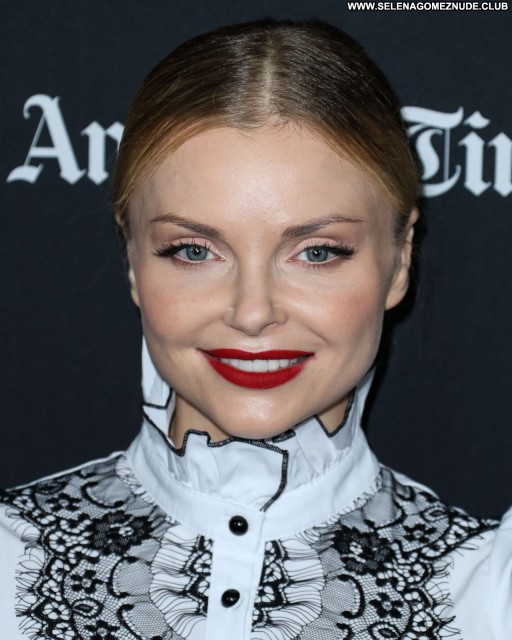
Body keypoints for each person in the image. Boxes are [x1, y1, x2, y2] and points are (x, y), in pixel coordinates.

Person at [0, 18, 510, 640]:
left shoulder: (488, 593)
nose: (251, 311)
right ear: (133, 259)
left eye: (317, 252)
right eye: (193, 251)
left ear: (399, 259)